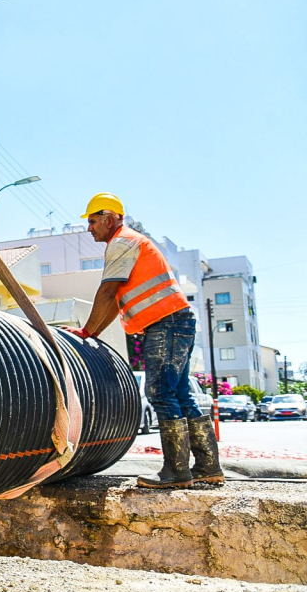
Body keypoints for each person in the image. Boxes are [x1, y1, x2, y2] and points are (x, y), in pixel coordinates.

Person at [64, 193, 223, 489]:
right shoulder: (129, 242)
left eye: (93, 221)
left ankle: (176, 472)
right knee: (180, 394)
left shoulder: (122, 242)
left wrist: (86, 331)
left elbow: (107, 292)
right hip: (176, 321)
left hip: (166, 323)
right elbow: (115, 301)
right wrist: (91, 333)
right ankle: (207, 466)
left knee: (160, 392)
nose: (89, 228)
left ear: (110, 219)